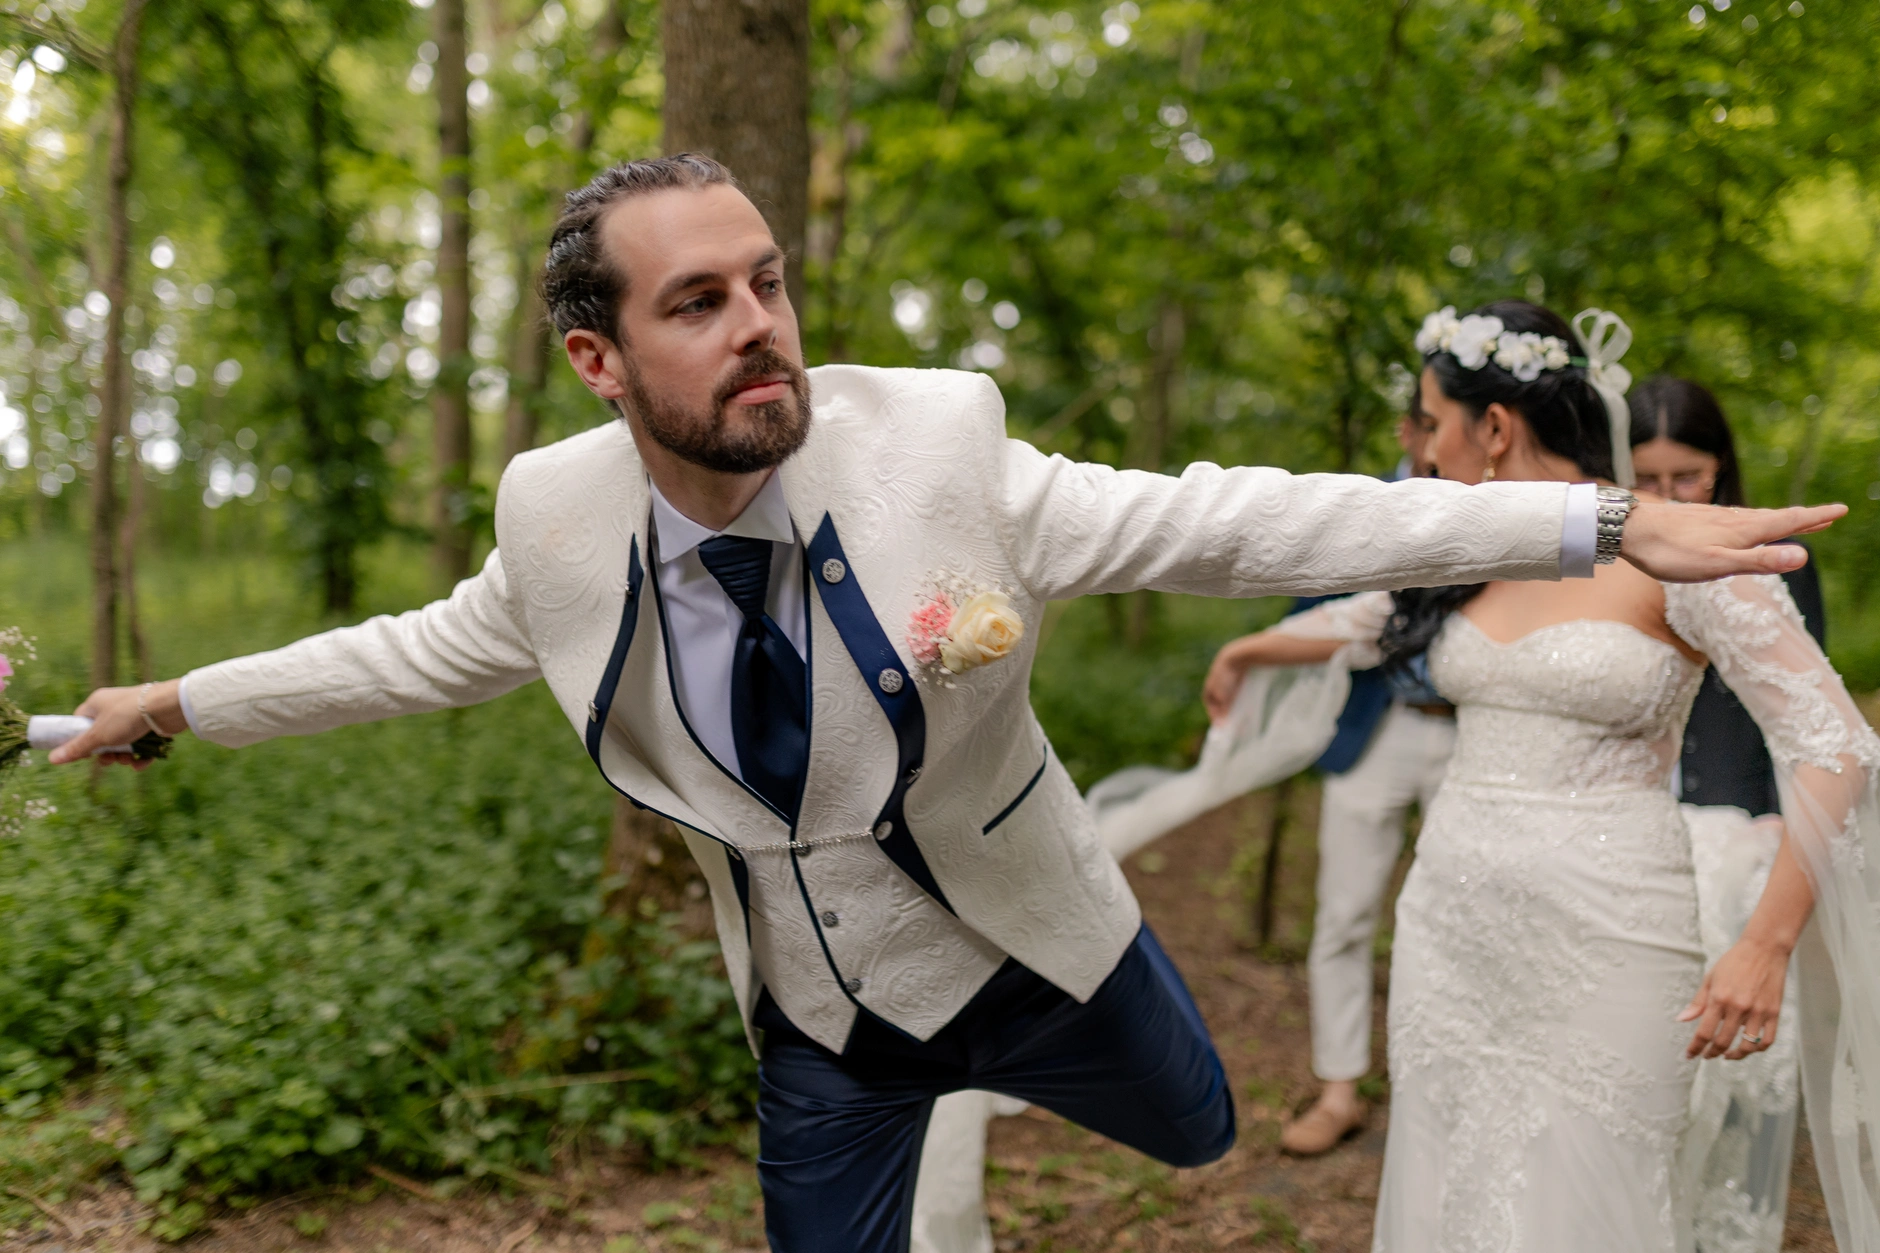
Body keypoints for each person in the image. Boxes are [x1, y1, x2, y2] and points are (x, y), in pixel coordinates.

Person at [49, 162, 1842, 1253]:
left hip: (1037, 936)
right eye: (702, 302)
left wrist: (1601, 516)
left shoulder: (946, 452)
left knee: (1204, 1123)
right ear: (599, 361)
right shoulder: (555, 516)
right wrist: (176, 699)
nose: (764, 327)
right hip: (821, 1014)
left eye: (770, 281)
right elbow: (404, 650)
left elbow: (1260, 514)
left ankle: (1078, 1049)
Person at [1272, 300, 1880, 1251]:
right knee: (1445, 1184)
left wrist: (1766, 942)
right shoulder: (1465, 550)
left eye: (1434, 424)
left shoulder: (1673, 543)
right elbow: (1350, 603)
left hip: (1610, 937)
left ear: (1497, 427)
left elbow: (1836, 744)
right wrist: (1242, 659)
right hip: (1448, 934)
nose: (1424, 452)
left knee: (1590, 1204)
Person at [1200, 416, 1458, 1157]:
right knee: (1343, 910)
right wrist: (1257, 662)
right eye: (1431, 424)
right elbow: (1321, 605)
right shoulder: (1361, 503)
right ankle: (1339, 1085)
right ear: (1407, 426)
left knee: (1453, 913)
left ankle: (1438, 1089)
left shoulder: (1505, 501)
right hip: (1377, 725)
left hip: (1475, 731)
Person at [1630, 375, 1827, 1249]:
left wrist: (1775, 819)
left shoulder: (1775, 554)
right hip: (1643, 812)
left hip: (1742, 815)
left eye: (1689, 477)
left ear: (1722, 467)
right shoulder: (1603, 558)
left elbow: (1797, 709)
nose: (1670, 498)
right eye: (1648, 478)